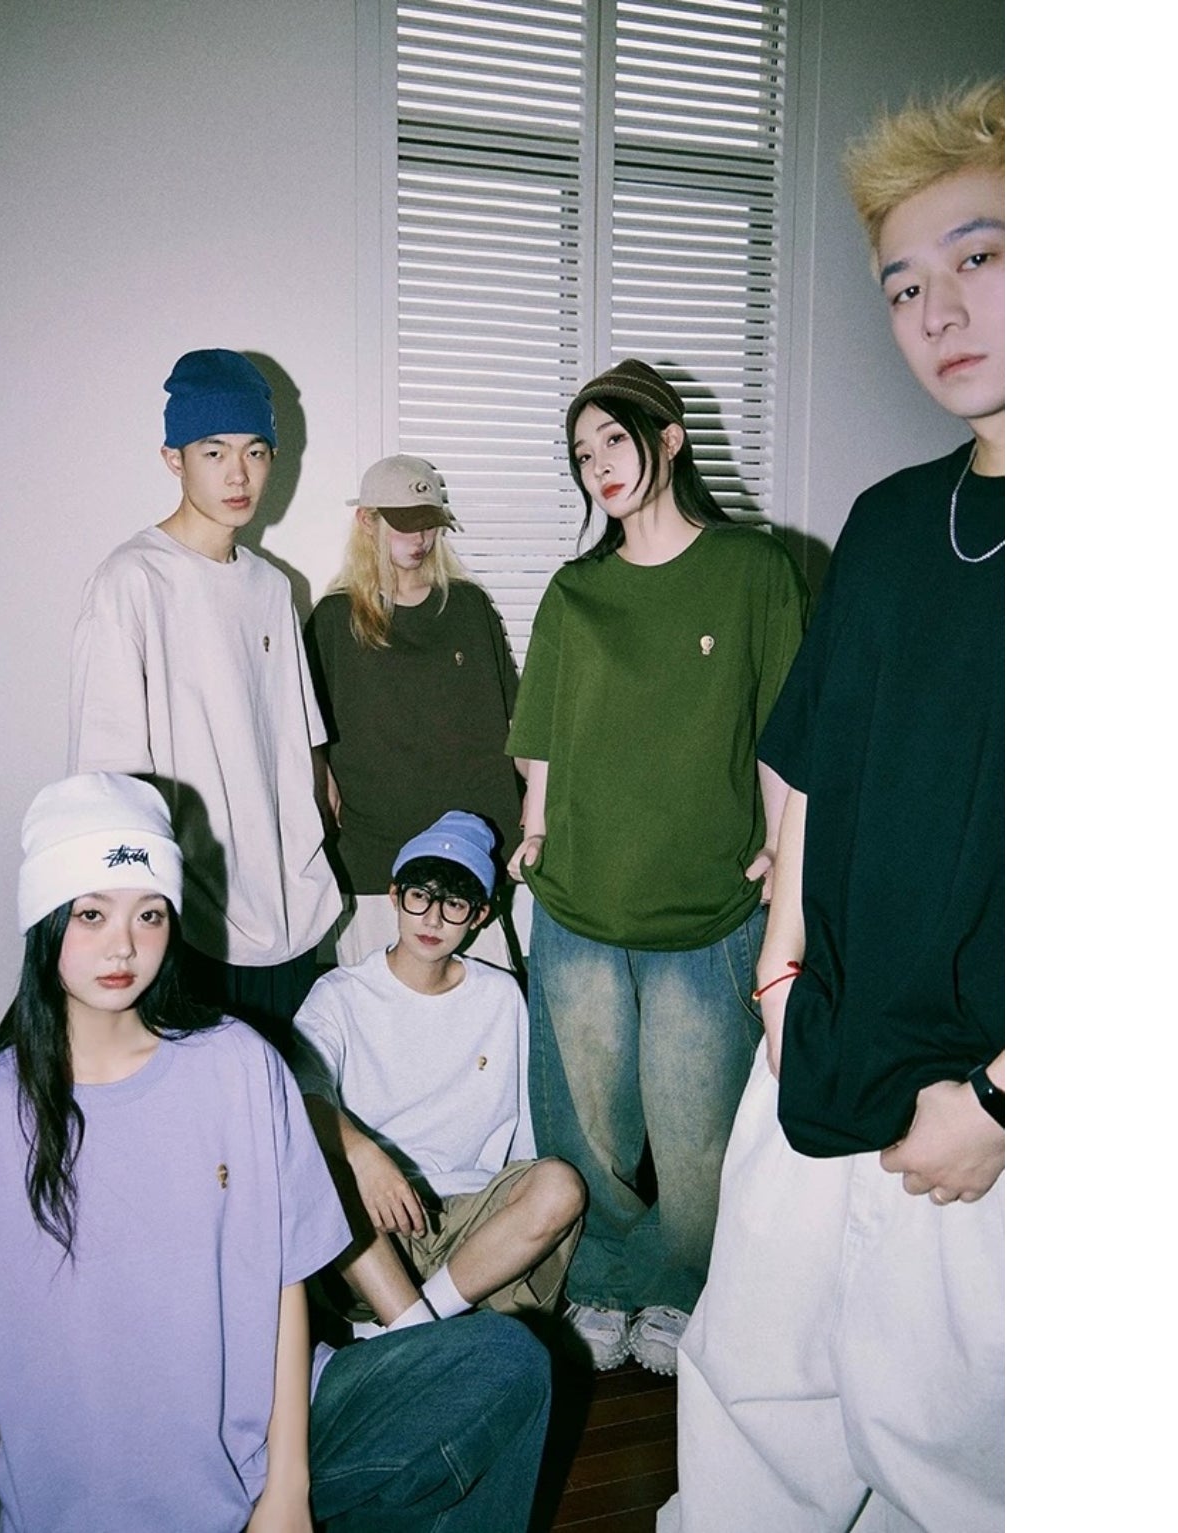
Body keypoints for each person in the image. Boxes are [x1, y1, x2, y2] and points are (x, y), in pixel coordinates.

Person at [659, 80, 1005, 1533]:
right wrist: (781, 970)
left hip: (978, 1112)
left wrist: (1005, 1100)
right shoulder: (886, 523)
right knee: (753, 1399)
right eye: (904, 286)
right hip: (819, 1048)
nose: (939, 312)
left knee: (952, 1458)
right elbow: (808, 763)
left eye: (981, 257)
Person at [0, 772, 553, 1533]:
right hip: (102, 1491)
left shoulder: (238, 1062)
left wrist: (287, 1490)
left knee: (508, 1360)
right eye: (91, 913)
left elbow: (282, 1280)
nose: (123, 944)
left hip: (279, 1433)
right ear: (45, 919)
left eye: (149, 913)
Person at [504, 359, 808, 1374]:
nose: (597, 464)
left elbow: (782, 729)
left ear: (669, 439)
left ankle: (679, 1287)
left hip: (705, 905)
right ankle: (599, 1280)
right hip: (579, 902)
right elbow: (543, 732)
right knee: (585, 1120)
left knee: (694, 1131)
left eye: (613, 441)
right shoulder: (575, 590)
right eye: (581, 452)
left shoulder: (755, 570)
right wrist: (534, 827)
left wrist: (781, 849)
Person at [68, 348, 340, 1045]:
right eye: (214, 451)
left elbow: (298, 740)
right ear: (174, 458)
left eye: (255, 451)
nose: (238, 473)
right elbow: (106, 771)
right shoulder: (132, 581)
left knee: (282, 1097)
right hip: (188, 919)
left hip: (287, 908)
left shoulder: (272, 587)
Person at [292, 811, 585, 1337]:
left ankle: (412, 1324)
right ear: (394, 896)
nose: (432, 919)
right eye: (419, 897)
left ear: (479, 916)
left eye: (454, 904)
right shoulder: (340, 994)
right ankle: (421, 1328)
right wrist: (363, 1155)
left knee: (561, 1185)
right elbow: (299, 1094)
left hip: (474, 1228)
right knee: (323, 1174)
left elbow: (525, 1132)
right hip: (377, 1225)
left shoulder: (499, 996)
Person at [304, 455, 524, 971]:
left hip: (471, 850)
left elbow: (518, 725)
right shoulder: (336, 620)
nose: (420, 538)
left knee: (477, 1008)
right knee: (374, 1010)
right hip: (375, 855)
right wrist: (321, 787)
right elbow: (305, 735)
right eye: (405, 524)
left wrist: (534, 815)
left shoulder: (468, 607)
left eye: (428, 523)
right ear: (367, 520)